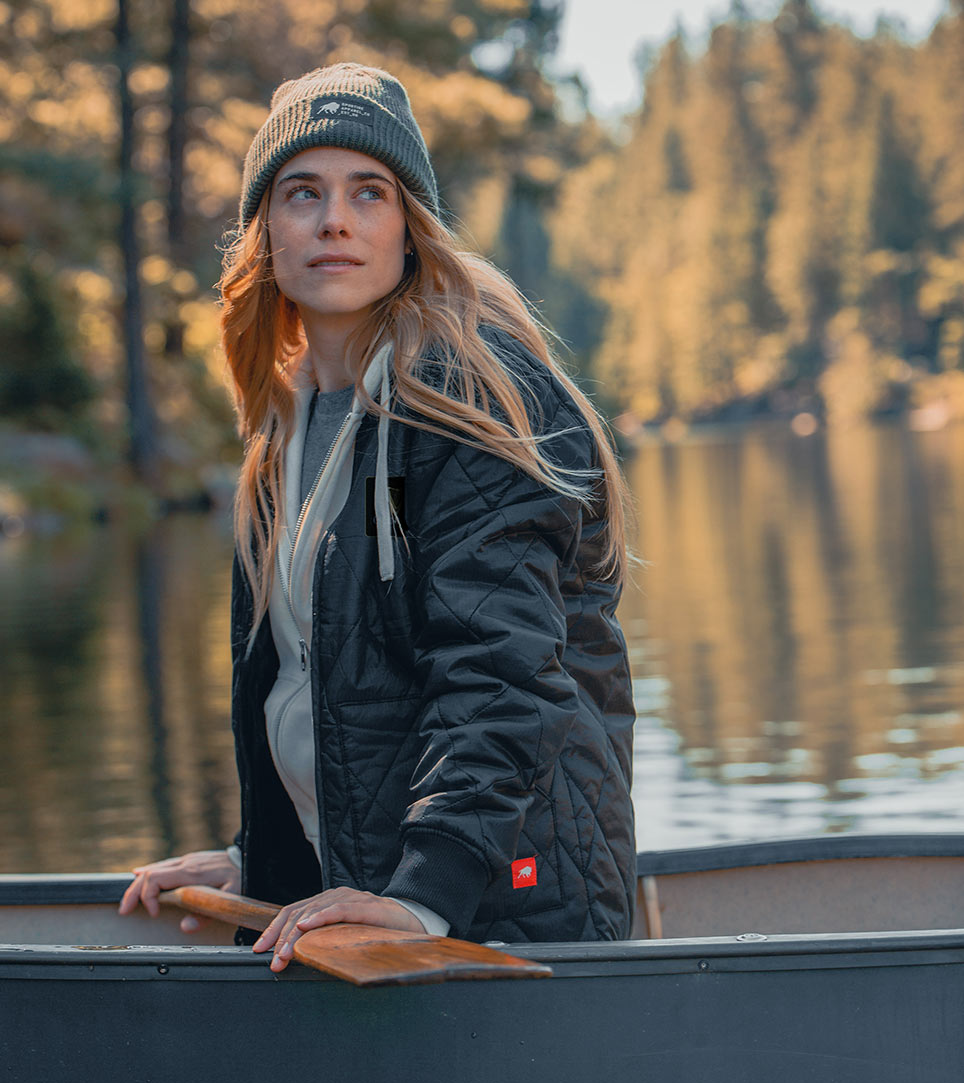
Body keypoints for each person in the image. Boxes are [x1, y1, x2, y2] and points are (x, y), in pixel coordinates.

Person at [119, 63, 636, 971]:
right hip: (378, 894)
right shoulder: (287, 432)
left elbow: (503, 675)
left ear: (410, 229)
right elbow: (318, 690)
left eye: (370, 192)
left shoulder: (468, 399)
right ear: (264, 232)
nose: (335, 221)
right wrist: (262, 861)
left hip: (501, 910)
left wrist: (425, 894)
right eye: (301, 193)